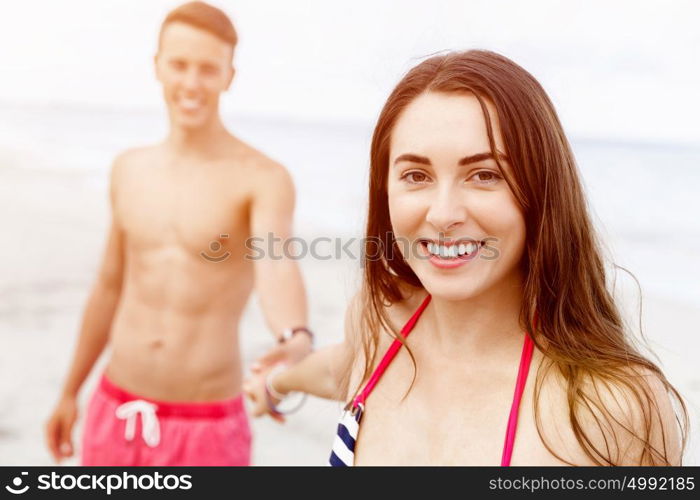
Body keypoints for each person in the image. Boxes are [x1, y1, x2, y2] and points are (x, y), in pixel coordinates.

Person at [245, 50, 689, 466]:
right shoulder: (379, 320)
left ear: (540, 192)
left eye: (484, 175)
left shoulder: (610, 409)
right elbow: (339, 368)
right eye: (416, 175)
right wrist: (275, 383)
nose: (442, 215)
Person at [44, 1, 312, 466]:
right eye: (179, 65)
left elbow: (276, 263)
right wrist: (70, 391)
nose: (191, 83)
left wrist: (295, 335)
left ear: (230, 75)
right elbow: (109, 286)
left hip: (206, 427)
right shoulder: (128, 169)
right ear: (157, 67)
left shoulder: (262, 178)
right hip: (116, 407)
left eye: (208, 69)